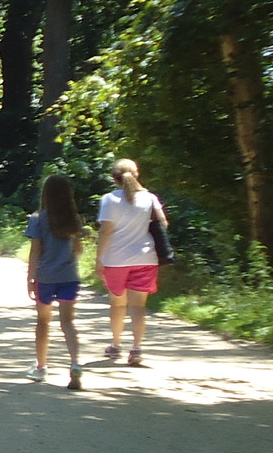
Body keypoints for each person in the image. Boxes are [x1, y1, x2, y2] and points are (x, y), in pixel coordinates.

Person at [98, 158, 168, 367]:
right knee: (138, 306)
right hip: (145, 258)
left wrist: (99, 259)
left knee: (117, 304)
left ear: (114, 178)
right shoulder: (150, 198)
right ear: (136, 175)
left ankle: (116, 344)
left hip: (115, 260)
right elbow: (163, 224)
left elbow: (106, 231)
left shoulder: (109, 199)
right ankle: (136, 348)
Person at [25, 174, 86, 390]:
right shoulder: (74, 220)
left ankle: (41, 367)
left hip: (45, 277)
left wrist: (30, 277)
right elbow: (78, 250)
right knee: (68, 322)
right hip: (69, 276)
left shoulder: (38, 219)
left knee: (43, 322)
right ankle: (75, 363)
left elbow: (35, 251)